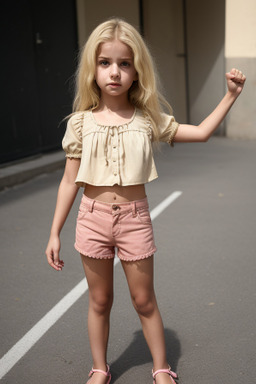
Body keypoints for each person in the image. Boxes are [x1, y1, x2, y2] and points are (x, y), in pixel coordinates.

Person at [45, 18, 246, 384]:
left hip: (135, 220)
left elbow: (200, 133)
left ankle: (161, 368)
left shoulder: (147, 119)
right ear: (92, 69)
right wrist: (54, 231)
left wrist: (231, 95)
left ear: (137, 71)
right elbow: (69, 179)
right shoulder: (80, 123)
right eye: (105, 63)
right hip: (91, 219)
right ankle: (100, 369)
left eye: (124, 64)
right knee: (99, 301)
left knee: (144, 301)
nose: (115, 72)